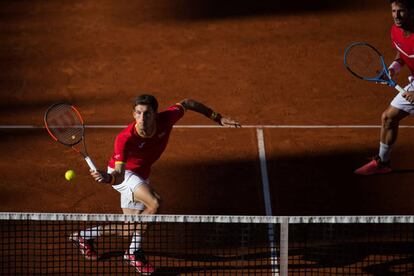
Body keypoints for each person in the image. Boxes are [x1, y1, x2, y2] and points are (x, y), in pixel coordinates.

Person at [69, 94, 241, 274]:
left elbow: (188, 103)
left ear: (155, 114)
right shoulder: (124, 138)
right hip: (123, 174)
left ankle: (84, 236)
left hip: (141, 175)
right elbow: (119, 174)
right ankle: (134, 253)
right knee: (155, 203)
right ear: (133, 114)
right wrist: (108, 178)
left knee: (130, 228)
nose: (142, 118)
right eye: (138, 113)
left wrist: (217, 117)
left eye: (147, 114)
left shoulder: (167, 119)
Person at [355, 0, 414, 175]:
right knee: (389, 118)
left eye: (401, 11)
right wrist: (392, 69)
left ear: (411, 11)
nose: (396, 16)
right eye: (393, 11)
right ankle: (383, 163)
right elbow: (402, 53)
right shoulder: (395, 31)